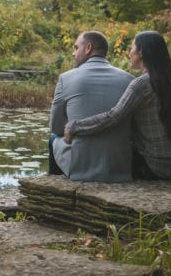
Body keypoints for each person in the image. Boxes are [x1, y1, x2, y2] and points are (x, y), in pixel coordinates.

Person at [63, 30, 171, 180]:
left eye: (132, 47)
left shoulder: (142, 84)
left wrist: (75, 126)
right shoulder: (170, 81)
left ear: (141, 52)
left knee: (117, 140)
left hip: (159, 169)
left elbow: (113, 116)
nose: (129, 53)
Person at [49, 31, 134, 182]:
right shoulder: (129, 80)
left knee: (54, 138)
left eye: (76, 48)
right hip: (120, 168)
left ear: (88, 48)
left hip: (80, 169)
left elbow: (55, 127)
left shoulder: (66, 78)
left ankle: (54, 187)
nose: (73, 53)